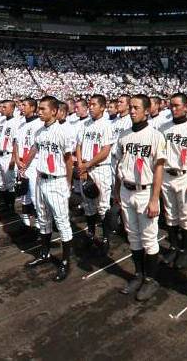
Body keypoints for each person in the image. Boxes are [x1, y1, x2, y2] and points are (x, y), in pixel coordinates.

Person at [115, 94, 165, 301]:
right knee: (133, 236)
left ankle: (151, 280)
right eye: (131, 107)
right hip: (126, 190)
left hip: (145, 192)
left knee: (149, 238)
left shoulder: (155, 135)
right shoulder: (124, 135)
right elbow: (119, 165)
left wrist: (155, 199)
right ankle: (138, 274)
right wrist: (117, 190)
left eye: (136, 107)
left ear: (146, 110)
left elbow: (159, 169)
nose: (132, 110)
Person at [23, 96, 74, 281]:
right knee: (43, 219)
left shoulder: (63, 132)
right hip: (40, 179)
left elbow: (69, 161)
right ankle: (44, 253)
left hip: (57, 180)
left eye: (43, 109)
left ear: (54, 111)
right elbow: (34, 149)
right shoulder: (39, 131)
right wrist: (24, 165)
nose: (40, 111)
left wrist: (68, 183)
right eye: (39, 108)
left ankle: (65, 262)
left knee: (62, 222)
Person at [160, 93, 187, 269]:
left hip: (184, 176)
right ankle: (173, 246)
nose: (174, 108)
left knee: (186, 216)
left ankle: (184, 250)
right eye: (172, 105)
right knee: (170, 215)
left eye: (177, 105)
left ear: (186, 107)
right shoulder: (164, 128)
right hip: (166, 175)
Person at [76, 94, 115, 255]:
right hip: (86, 169)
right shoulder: (84, 124)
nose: (90, 107)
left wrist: (87, 165)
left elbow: (105, 151)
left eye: (94, 104)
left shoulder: (106, 125)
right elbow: (78, 146)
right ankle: (91, 234)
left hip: (100, 168)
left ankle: (106, 238)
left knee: (103, 205)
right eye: (90, 104)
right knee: (88, 204)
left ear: (102, 107)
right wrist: (81, 166)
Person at [13, 97, 43, 232]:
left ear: (32, 107)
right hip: (21, 163)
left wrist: (25, 163)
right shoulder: (20, 124)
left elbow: (35, 147)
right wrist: (18, 161)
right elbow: (16, 143)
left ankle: (38, 223)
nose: (21, 107)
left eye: (24, 105)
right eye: (21, 105)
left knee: (35, 195)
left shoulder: (38, 124)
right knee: (23, 193)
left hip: (32, 163)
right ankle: (25, 220)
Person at [0, 100, 17, 214]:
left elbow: (15, 142)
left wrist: (13, 159)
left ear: (12, 109)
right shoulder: (2, 121)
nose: (2, 109)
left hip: (8, 155)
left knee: (10, 183)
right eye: (2, 107)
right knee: (0, 183)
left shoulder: (15, 122)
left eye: (5, 107)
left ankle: (11, 206)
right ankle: (6, 204)